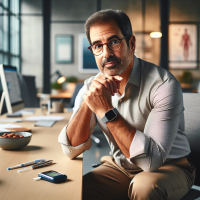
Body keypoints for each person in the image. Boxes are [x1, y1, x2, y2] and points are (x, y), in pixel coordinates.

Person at [58, 9, 195, 200]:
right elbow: (71, 149)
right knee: (76, 191)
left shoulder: (164, 85)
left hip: (169, 167)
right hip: (120, 167)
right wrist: (90, 101)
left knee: (144, 188)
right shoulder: (92, 86)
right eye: (97, 46)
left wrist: (106, 109)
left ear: (131, 43)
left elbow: (150, 162)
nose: (106, 53)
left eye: (114, 42)